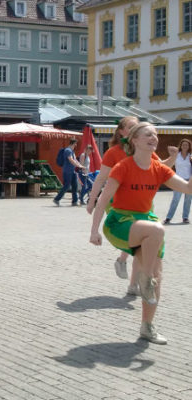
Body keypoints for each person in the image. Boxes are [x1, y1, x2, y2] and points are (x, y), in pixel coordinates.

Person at [90, 122, 192, 345]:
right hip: (120, 223)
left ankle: (147, 326)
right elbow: (104, 200)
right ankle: (143, 278)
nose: (154, 137)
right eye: (148, 134)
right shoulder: (123, 166)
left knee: (157, 276)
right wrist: (94, 231)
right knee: (157, 230)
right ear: (134, 140)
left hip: (147, 225)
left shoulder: (159, 168)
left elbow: (187, 189)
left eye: (155, 134)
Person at [86, 116, 177, 294]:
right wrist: (91, 200)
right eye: (131, 127)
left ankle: (133, 282)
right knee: (137, 239)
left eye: (138, 126)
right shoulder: (114, 152)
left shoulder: (145, 148)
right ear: (122, 132)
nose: (136, 129)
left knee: (144, 243)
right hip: (118, 202)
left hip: (143, 202)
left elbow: (161, 168)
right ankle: (124, 261)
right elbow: (101, 178)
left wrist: (173, 157)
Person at [163, 138, 192, 224]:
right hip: (178, 179)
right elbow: (169, 149)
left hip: (189, 180)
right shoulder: (176, 155)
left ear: (189, 146)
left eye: (187, 145)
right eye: (183, 145)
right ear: (181, 146)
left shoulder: (190, 156)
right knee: (175, 199)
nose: (185, 146)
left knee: (188, 200)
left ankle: (185, 217)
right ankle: (168, 218)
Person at [53, 139, 86, 206]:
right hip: (67, 171)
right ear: (73, 143)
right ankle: (56, 199)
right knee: (67, 186)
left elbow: (75, 160)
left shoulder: (72, 151)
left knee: (75, 186)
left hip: (72, 171)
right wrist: (79, 166)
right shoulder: (67, 150)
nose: (76, 145)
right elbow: (71, 160)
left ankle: (74, 201)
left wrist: (80, 166)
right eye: (76, 144)